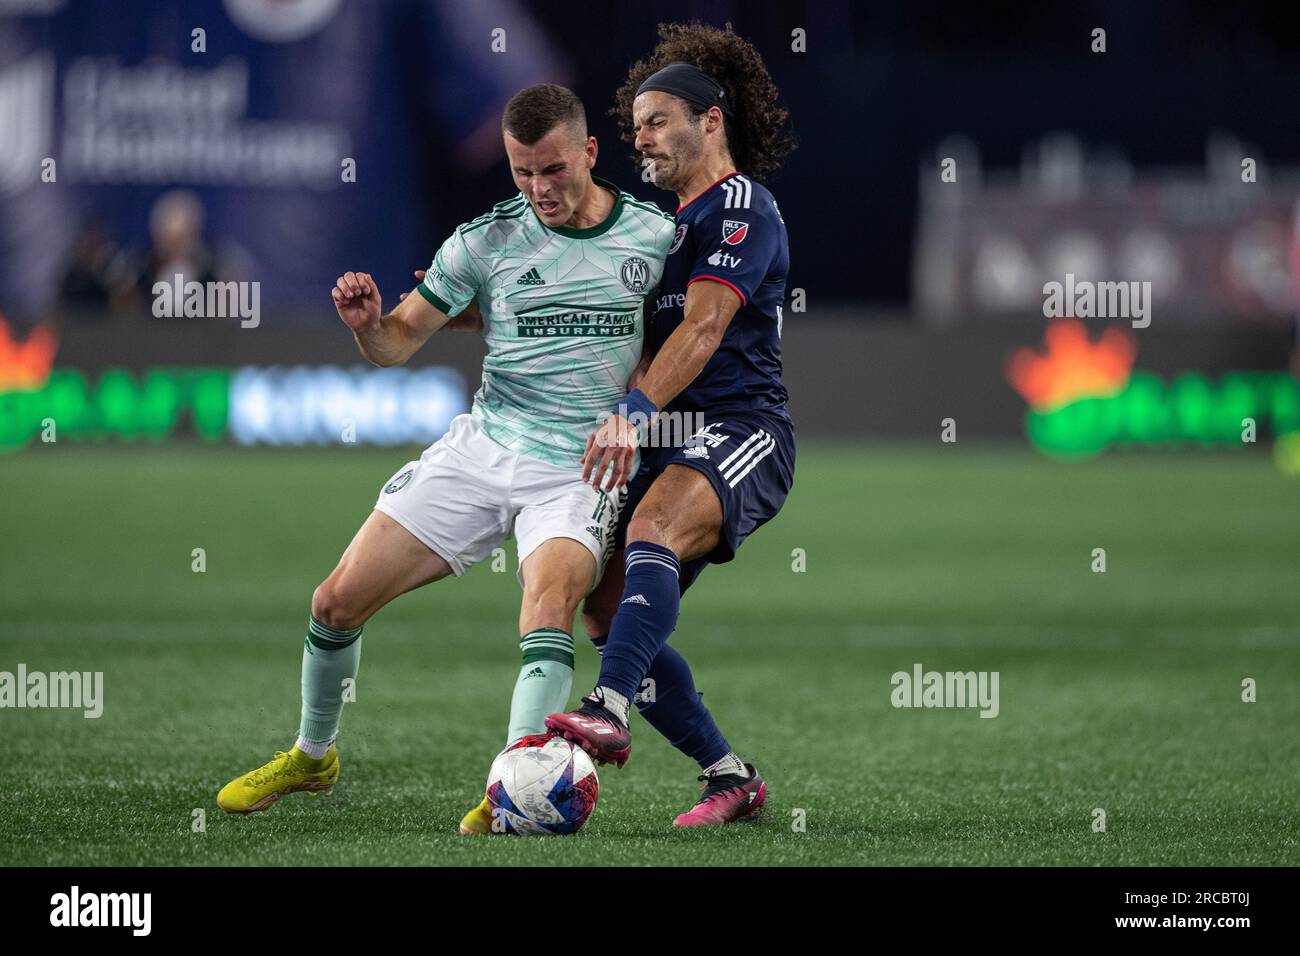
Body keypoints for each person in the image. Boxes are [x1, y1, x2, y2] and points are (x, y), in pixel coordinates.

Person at [214, 84, 675, 834]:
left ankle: (514, 786)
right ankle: (313, 754)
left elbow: (689, 336)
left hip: (576, 469)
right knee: (333, 603)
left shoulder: (654, 238)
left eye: (554, 169)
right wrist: (368, 326)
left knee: (548, 602)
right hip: (484, 447)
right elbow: (398, 343)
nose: (539, 189)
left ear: (589, 153)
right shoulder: (486, 241)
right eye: (522, 172)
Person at [546, 23, 797, 827]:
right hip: (664, 441)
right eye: (637, 126)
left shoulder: (740, 207)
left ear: (709, 121)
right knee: (606, 613)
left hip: (741, 427)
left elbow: (704, 329)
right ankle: (730, 776)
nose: (640, 137)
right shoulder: (660, 233)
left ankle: (608, 709)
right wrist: (462, 307)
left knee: (653, 525)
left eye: (657, 120)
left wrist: (629, 415)